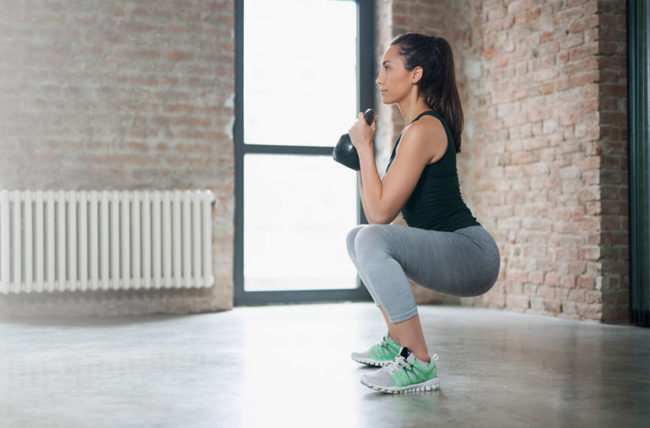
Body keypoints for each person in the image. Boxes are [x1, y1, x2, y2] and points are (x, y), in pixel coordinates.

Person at [345, 32, 501, 394]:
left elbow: (381, 216)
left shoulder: (424, 129)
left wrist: (365, 149)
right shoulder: (413, 130)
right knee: (356, 238)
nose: (379, 79)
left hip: (472, 254)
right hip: (455, 250)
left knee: (369, 237)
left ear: (415, 74)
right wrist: (359, 158)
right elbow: (374, 211)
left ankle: (418, 362)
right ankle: (397, 341)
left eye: (388, 68)